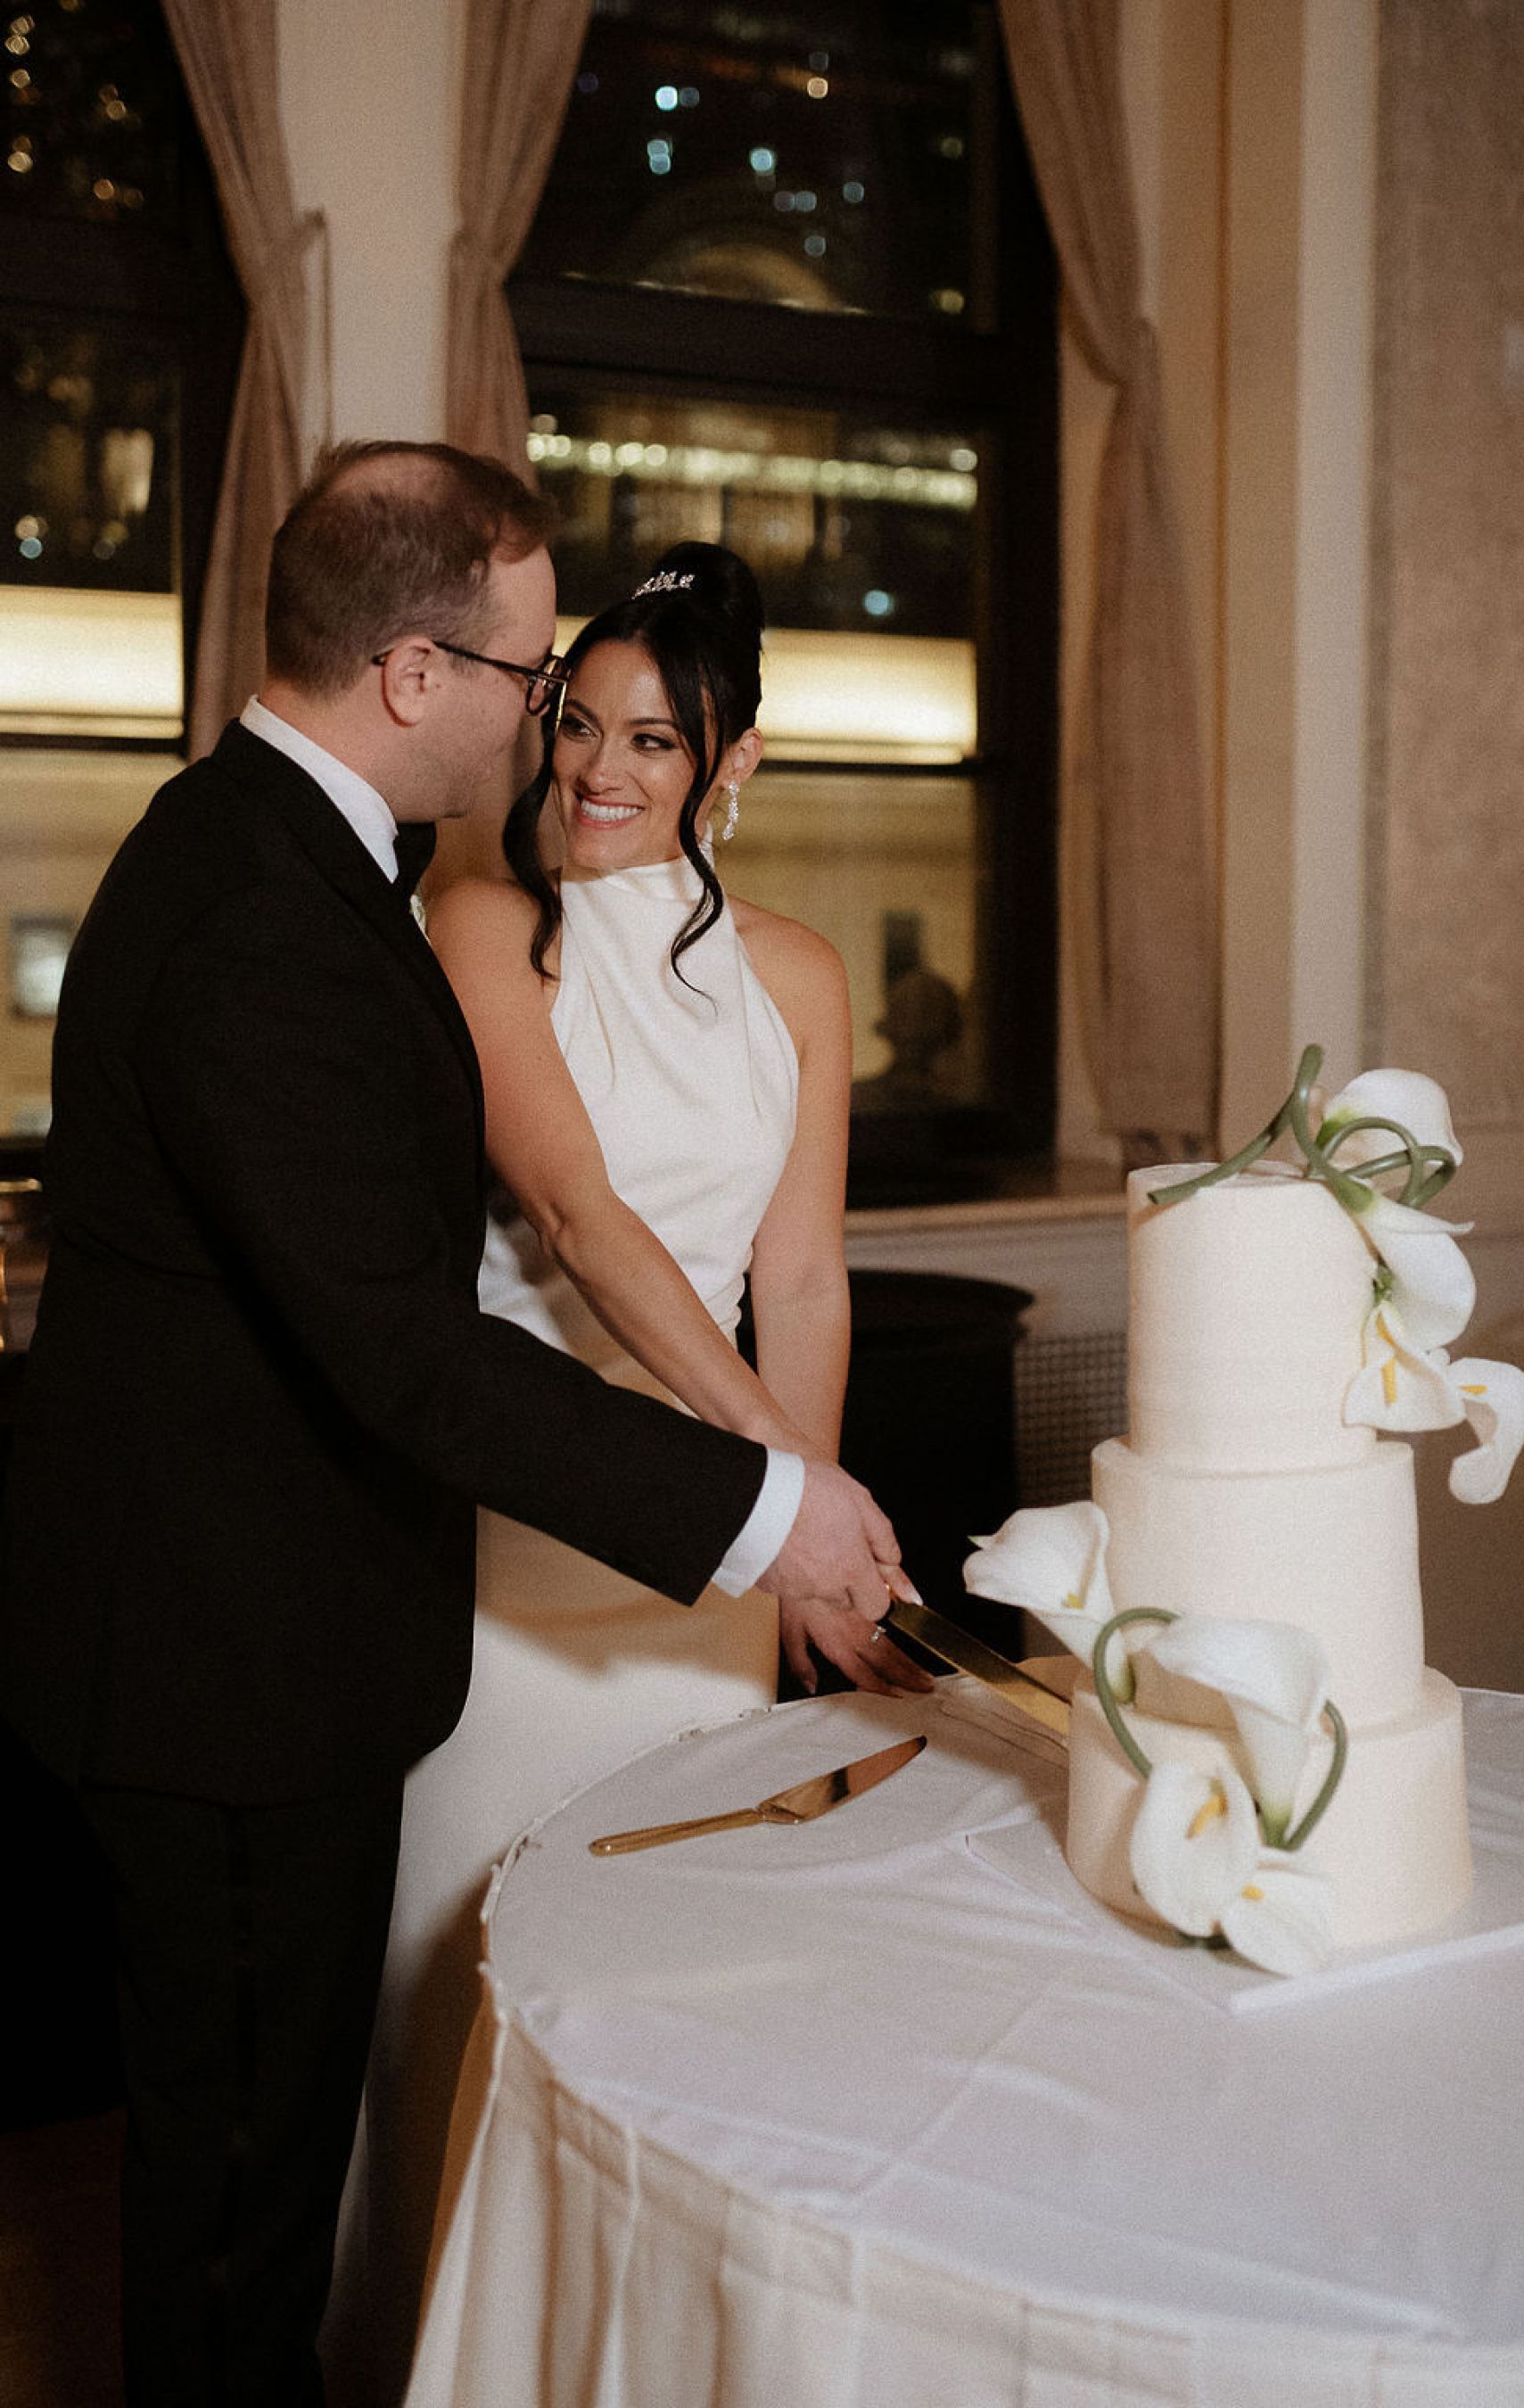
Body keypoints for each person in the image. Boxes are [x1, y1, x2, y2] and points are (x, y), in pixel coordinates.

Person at [0, 442, 918, 2408]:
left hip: (272, 1631)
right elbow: (415, 1352)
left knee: (253, 2169)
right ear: (417, 676)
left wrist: (774, 1510)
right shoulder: (274, 906)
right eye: (528, 680)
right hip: (226, 1662)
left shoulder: (274, 854)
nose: (544, 731)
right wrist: (770, 1508)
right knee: (247, 2194)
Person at [334, 540, 932, 2398]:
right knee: (477, 1971)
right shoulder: (471, 924)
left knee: (688, 1997)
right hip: (522, 1548)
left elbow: (805, 1274)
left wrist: (798, 1529)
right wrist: (789, 1511)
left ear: (732, 764)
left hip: (718, 1585)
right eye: (575, 723)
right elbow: (584, 1221)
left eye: (654, 742)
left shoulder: (804, 977)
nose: (597, 771)